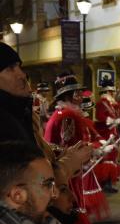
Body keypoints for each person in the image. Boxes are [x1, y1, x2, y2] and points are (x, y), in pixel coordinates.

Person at [0, 42, 91, 177]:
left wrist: (62, 153)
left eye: (19, 67)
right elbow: (25, 182)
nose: (22, 75)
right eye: (10, 68)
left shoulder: (19, 112)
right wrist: (69, 163)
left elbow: (35, 149)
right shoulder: (5, 121)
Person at [45, 77, 110, 224]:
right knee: (68, 209)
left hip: (62, 167)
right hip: (68, 171)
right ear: (70, 95)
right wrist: (94, 151)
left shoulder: (62, 113)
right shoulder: (67, 116)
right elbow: (68, 145)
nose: (81, 96)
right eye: (78, 93)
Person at [94, 76, 120, 193]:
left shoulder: (111, 103)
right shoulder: (102, 103)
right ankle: (105, 182)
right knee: (106, 157)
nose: (113, 93)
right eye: (112, 91)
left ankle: (109, 181)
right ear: (107, 92)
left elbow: (119, 112)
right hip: (105, 133)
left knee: (112, 157)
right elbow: (100, 116)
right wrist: (110, 120)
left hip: (112, 133)